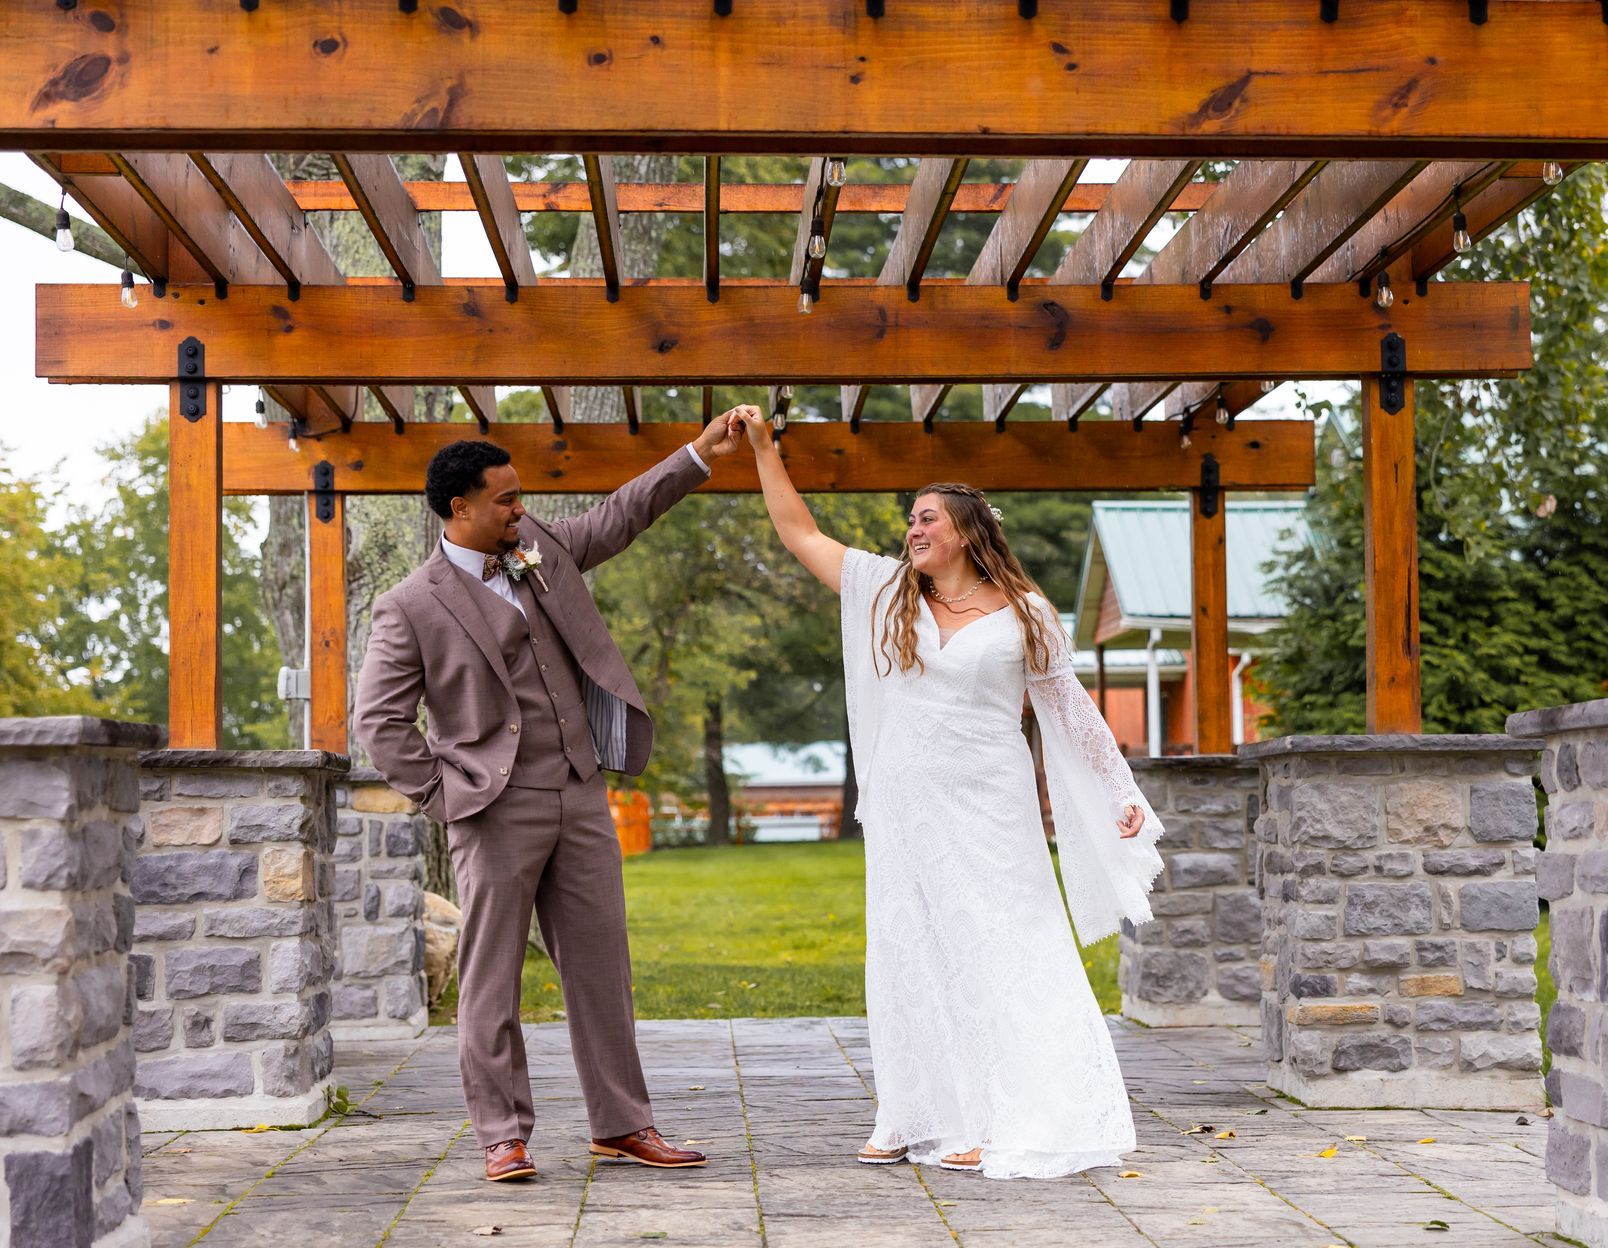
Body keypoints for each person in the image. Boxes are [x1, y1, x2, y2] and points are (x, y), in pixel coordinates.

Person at [735, 403, 1166, 1179]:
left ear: (966, 530)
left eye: (926, 517)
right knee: (909, 950)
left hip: (993, 806)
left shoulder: (1026, 612)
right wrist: (766, 449)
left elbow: (1069, 711)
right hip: (906, 805)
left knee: (1003, 945)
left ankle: (1001, 1114)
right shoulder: (883, 593)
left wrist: (1117, 789)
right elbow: (799, 532)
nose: (912, 528)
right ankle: (912, 1114)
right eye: (909, 519)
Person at [353, 414, 743, 1182]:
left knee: (603, 968)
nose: (519, 510)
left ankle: (623, 1125)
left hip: (579, 790)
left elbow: (621, 513)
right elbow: (379, 721)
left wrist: (698, 455)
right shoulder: (410, 605)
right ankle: (502, 1133)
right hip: (492, 808)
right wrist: (444, 794)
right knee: (490, 977)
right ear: (458, 508)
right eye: (504, 500)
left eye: (520, 497)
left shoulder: (542, 548)